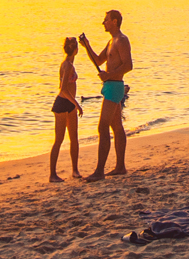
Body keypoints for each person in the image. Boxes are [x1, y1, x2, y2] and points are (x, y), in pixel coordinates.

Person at [80, 10, 133, 182]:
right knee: (116, 126)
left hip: (114, 86)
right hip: (110, 85)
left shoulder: (122, 40)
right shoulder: (111, 41)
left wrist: (109, 76)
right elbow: (98, 60)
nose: (103, 23)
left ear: (115, 21)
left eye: (106, 20)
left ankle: (99, 171)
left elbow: (128, 65)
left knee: (103, 127)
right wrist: (87, 45)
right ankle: (120, 167)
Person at [51, 38, 84, 181]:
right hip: (62, 103)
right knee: (59, 139)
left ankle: (75, 170)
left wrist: (73, 104)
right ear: (76, 50)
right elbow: (63, 89)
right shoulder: (67, 65)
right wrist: (76, 103)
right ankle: (53, 174)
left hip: (69, 104)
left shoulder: (68, 64)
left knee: (74, 138)